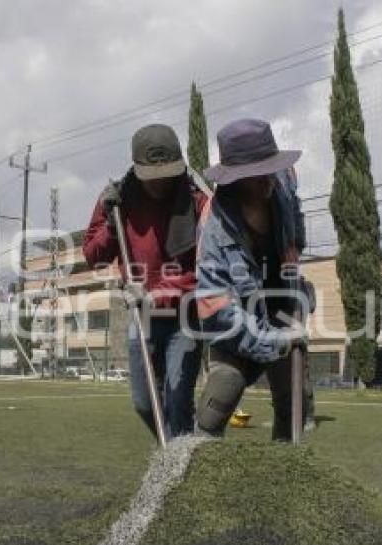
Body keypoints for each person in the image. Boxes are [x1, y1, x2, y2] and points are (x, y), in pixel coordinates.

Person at [83, 124, 208, 440]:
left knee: (178, 399)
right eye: (153, 175)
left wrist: (160, 294)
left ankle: (179, 462)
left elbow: (207, 270)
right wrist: (113, 224)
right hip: (143, 318)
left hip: (185, 317)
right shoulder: (117, 199)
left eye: (167, 173)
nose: (161, 182)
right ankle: (176, 453)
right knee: (144, 402)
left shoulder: (196, 200)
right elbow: (93, 256)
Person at [194, 118, 314, 441]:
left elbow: (296, 215)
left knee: (295, 403)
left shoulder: (283, 181)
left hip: (283, 309)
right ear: (234, 181)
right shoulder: (212, 232)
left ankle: (284, 474)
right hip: (237, 323)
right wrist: (273, 342)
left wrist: (295, 253)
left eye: (269, 168)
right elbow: (220, 313)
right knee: (220, 394)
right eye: (256, 175)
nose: (267, 180)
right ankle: (197, 472)